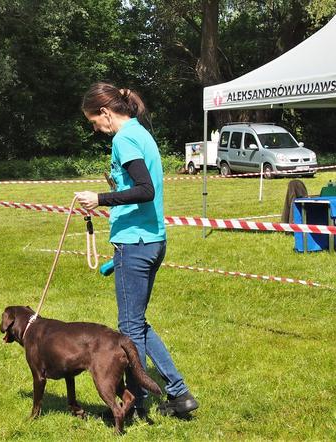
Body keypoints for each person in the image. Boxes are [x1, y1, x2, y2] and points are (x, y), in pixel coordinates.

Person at [75, 82, 198, 419]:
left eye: (94, 122)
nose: (96, 129)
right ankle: (178, 392)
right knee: (137, 324)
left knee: (128, 330)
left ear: (105, 112)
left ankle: (135, 403)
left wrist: (99, 199)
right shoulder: (142, 133)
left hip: (136, 243)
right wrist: (114, 191)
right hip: (152, 240)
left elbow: (144, 189)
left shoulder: (124, 138)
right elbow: (138, 187)